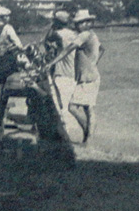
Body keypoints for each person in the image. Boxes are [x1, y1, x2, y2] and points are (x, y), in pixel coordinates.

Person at [44, 9, 104, 143]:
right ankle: (89, 135)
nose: (78, 25)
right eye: (77, 23)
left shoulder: (84, 35)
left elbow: (68, 49)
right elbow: (102, 49)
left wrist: (52, 62)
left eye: (81, 23)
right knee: (87, 109)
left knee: (74, 107)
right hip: (88, 76)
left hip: (88, 78)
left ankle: (89, 135)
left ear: (87, 23)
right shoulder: (91, 35)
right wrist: (93, 63)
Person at [0, 6, 24, 128]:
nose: (9, 18)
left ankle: (0, 114)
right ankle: (4, 115)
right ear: (3, 17)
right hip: (9, 63)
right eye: (7, 16)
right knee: (10, 88)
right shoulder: (8, 28)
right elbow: (19, 45)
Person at [43, 10, 77, 124]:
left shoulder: (58, 34)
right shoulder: (73, 34)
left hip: (62, 72)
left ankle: (64, 130)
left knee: (61, 104)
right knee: (69, 103)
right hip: (74, 71)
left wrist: (52, 26)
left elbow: (46, 40)